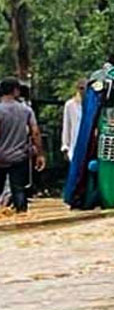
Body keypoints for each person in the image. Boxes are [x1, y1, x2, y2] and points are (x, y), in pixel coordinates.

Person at [0, 78, 45, 212]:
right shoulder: (25, 110)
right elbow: (35, 132)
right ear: (15, 90)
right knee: (18, 189)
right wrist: (40, 154)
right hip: (19, 156)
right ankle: (21, 216)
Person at [61, 78, 85, 162]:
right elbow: (66, 126)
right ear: (77, 89)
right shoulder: (70, 105)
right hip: (73, 145)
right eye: (81, 88)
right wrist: (65, 147)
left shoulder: (91, 105)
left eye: (85, 88)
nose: (83, 91)